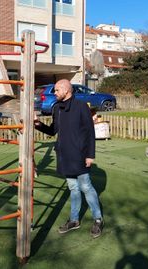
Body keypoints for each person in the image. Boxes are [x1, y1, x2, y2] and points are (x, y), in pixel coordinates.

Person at [34, 79, 104, 238]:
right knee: (73, 188)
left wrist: (90, 155)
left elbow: (89, 133)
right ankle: (74, 220)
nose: (54, 93)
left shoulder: (81, 107)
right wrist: (37, 124)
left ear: (66, 90)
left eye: (57, 90)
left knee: (86, 186)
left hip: (80, 155)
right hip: (64, 155)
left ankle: (98, 219)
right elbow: (53, 130)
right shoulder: (57, 108)